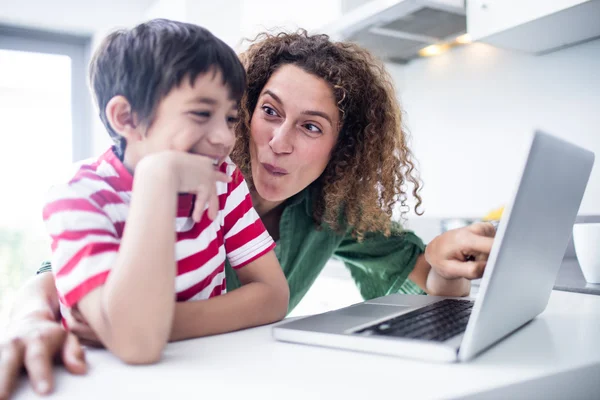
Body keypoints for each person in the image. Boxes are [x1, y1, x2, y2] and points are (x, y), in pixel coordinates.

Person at [0, 29, 495, 398]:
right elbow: (56, 275)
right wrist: (26, 318)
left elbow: (424, 277)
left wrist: (449, 263)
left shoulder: (330, 208)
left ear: (340, 151)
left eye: (311, 127)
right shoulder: (191, 174)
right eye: (270, 112)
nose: (277, 143)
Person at [21, 17, 292, 370]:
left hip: (198, 369)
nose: (225, 138)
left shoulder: (222, 180)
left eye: (228, 119)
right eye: (200, 113)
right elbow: (137, 345)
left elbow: (273, 296)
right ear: (127, 118)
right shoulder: (79, 197)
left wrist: (162, 323)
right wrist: (156, 177)